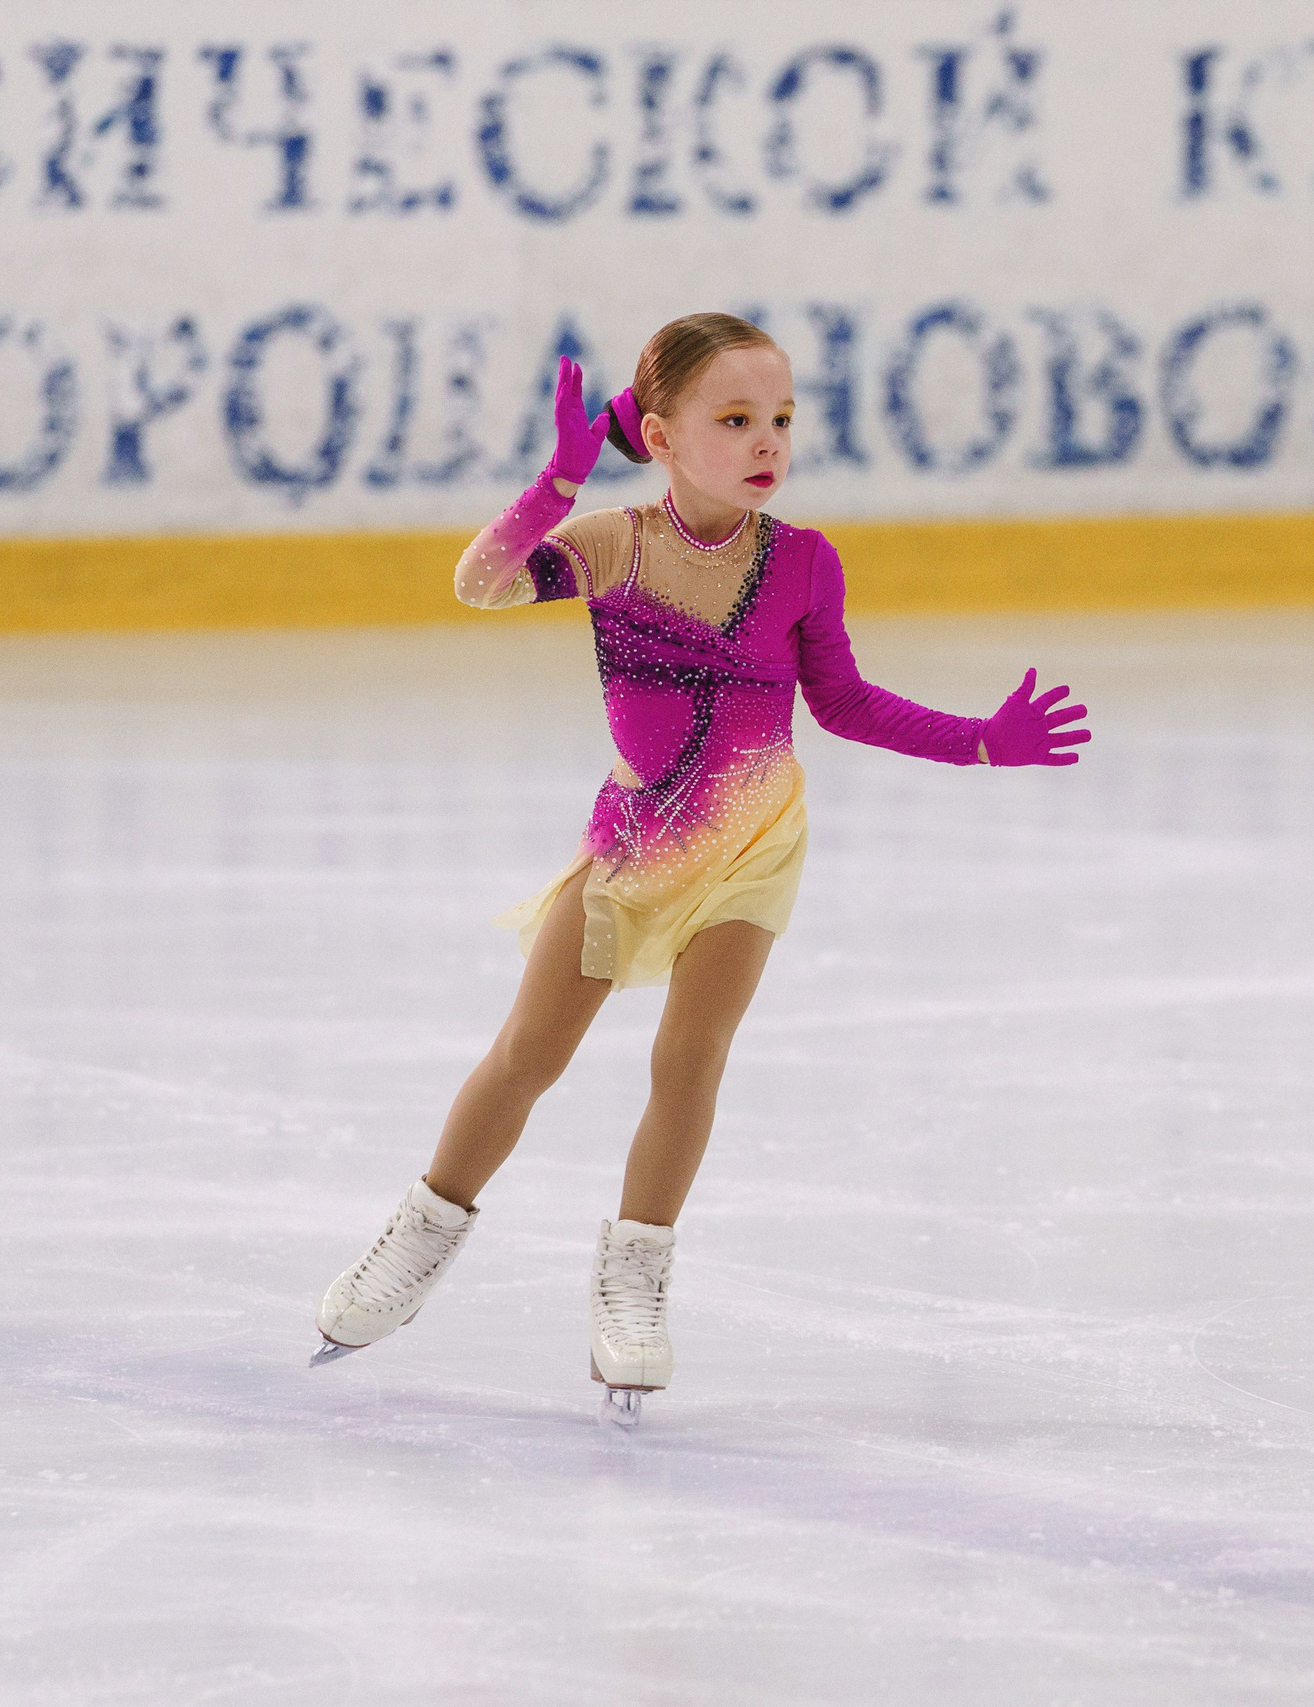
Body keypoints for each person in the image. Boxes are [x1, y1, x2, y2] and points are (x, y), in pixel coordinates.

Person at [310, 312, 1089, 1424]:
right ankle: (419, 1238)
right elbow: (481, 584)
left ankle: (634, 1282)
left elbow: (842, 703)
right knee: (529, 1054)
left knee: (690, 1058)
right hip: (635, 845)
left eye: (781, 418)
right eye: (734, 419)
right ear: (664, 436)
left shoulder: (804, 562)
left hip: (755, 842)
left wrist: (978, 741)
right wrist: (554, 484)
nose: (768, 441)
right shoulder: (613, 545)